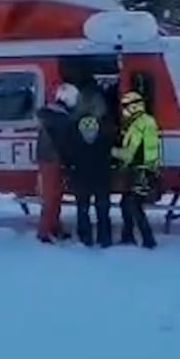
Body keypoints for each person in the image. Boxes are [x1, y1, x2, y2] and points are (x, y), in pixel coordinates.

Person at [111, 90, 161, 249]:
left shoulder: (138, 125)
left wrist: (110, 151)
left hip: (141, 171)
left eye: (125, 106)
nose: (123, 109)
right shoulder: (146, 121)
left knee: (134, 205)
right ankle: (128, 236)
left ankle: (148, 239)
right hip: (144, 169)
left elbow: (129, 153)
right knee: (126, 203)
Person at [67, 81, 115, 247]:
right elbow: (110, 147)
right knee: (103, 208)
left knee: (83, 207)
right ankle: (105, 238)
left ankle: (85, 237)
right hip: (101, 172)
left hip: (82, 173)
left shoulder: (74, 127)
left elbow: (70, 151)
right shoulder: (105, 127)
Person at [34, 83, 79, 243]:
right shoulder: (61, 119)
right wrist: (70, 161)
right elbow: (64, 144)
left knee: (56, 195)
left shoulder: (52, 115)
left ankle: (54, 226)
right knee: (51, 196)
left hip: (47, 159)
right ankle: (44, 231)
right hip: (53, 160)